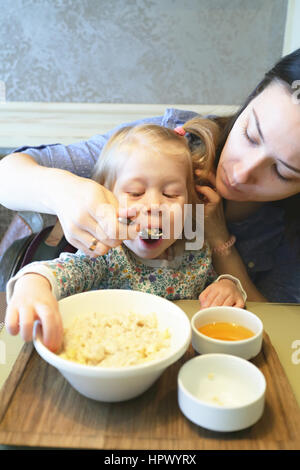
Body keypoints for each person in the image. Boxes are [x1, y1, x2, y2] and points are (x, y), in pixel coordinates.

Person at [0, 49, 300, 302]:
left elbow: (273, 323)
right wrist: (63, 191)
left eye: (282, 171)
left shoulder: (196, 258)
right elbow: (8, 175)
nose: (242, 172)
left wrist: (226, 268)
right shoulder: (161, 145)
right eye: (251, 135)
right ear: (254, 95)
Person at [4, 119, 247, 351]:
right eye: (135, 192)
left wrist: (227, 285)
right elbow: (63, 271)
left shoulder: (195, 252)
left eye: (171, 194)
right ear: (105, 198)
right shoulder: (106, 255)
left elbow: (212, 286)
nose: (153, 205)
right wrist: (34, 283)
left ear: (190, 204)